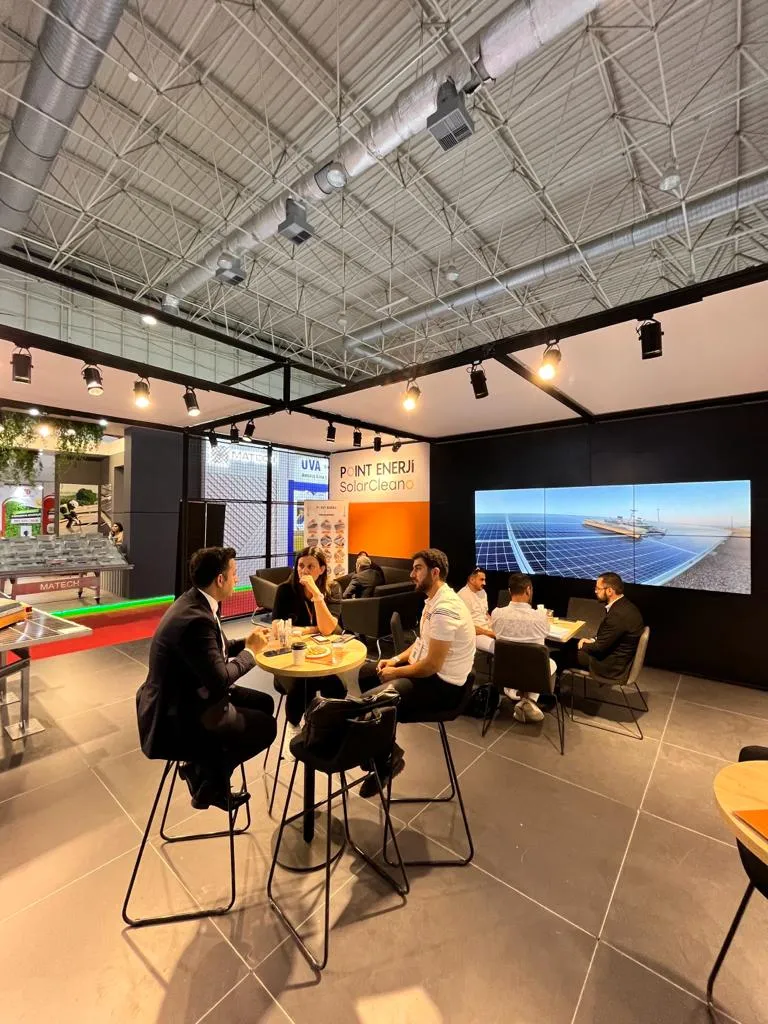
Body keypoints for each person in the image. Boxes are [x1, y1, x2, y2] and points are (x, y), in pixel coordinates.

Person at [136, 546, 277, 811]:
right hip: (179, 713)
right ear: (220, 579)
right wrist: (251, 652)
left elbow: (214, 651)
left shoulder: (196, 601)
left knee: (265, 703)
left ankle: (204, 770)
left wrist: (246, 642)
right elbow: (220, 679)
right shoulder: (196, 620)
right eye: (234, 573)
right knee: (267, 728)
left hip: (192, 693)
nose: (237, 578)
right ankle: (209, 781)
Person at [357, 548, 475, 797]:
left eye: (418, 569)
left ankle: (383, 760)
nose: (412, 574)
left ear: (435, 572)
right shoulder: (433, 601)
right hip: (429, 675)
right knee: (366, 673)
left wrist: (396, 673)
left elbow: (431, 666)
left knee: (372, 702)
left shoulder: (445, 609)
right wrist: (394, 660)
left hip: (444, 688)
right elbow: (422, 642)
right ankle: (386, 752)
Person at [272, 546, 346, 730]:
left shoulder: (333, 588)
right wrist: (314, 629)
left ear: (321, 569)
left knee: (338, 687)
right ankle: (294, 725)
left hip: (321, 657)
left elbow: (327, 630)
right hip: (289, 659)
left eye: (310, 566)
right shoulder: (285, 590)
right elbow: (278, 628)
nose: (304, 571)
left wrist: (316, 594)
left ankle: (323, 728)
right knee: (303, 684)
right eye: (301, 565)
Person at [489, 573, 556, 723]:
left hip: (504, 672)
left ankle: (515, 695)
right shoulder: (540, 616)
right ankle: (529, 701)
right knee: (550, 663)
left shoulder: (496, 614)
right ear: (528, 590)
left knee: (521, 663)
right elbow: (546, 632)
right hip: (533, 675)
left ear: (509, 591)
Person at [576, 572, 644, 679]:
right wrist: (592, 640)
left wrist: (583, 645)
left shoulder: (618, 614)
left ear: (609, 591)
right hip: (616, 659)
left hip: (610, 667)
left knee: (564, 654)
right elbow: (608, 636)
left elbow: (599, 648)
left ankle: (553, 687)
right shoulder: (624, 605)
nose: (595, 591)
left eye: (598, 588)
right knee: (572, 647)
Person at [457, 567, 495, 649]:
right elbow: (465, 626)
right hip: (475, 635)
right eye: (481, 580)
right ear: (472, 580)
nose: (484, 583)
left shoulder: (483, 592)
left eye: (484, 580)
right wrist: (490, 633)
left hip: (488, 629)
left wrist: (495, 624)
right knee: (498, 648)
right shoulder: (462, 596)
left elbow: (486, 613)